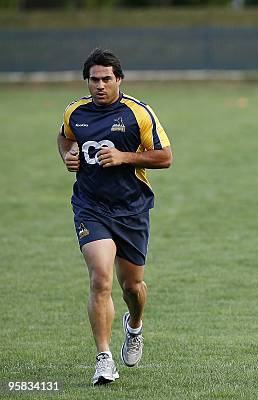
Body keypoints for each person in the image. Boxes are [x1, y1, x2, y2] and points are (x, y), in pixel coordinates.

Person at [57, 48, 172, 385]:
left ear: (119, 79)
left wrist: (123, 157)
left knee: (132, 286)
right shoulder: (75, 112)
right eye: (94, 79)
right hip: (90, 206)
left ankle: (134, 326)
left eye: (107, 79)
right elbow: (64, 138)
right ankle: (104, 359)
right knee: (100, 279)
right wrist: (68, 154)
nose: (100, 85)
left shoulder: (139, 113)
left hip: (131, 209)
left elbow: (165, 157)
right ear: (87, 81)